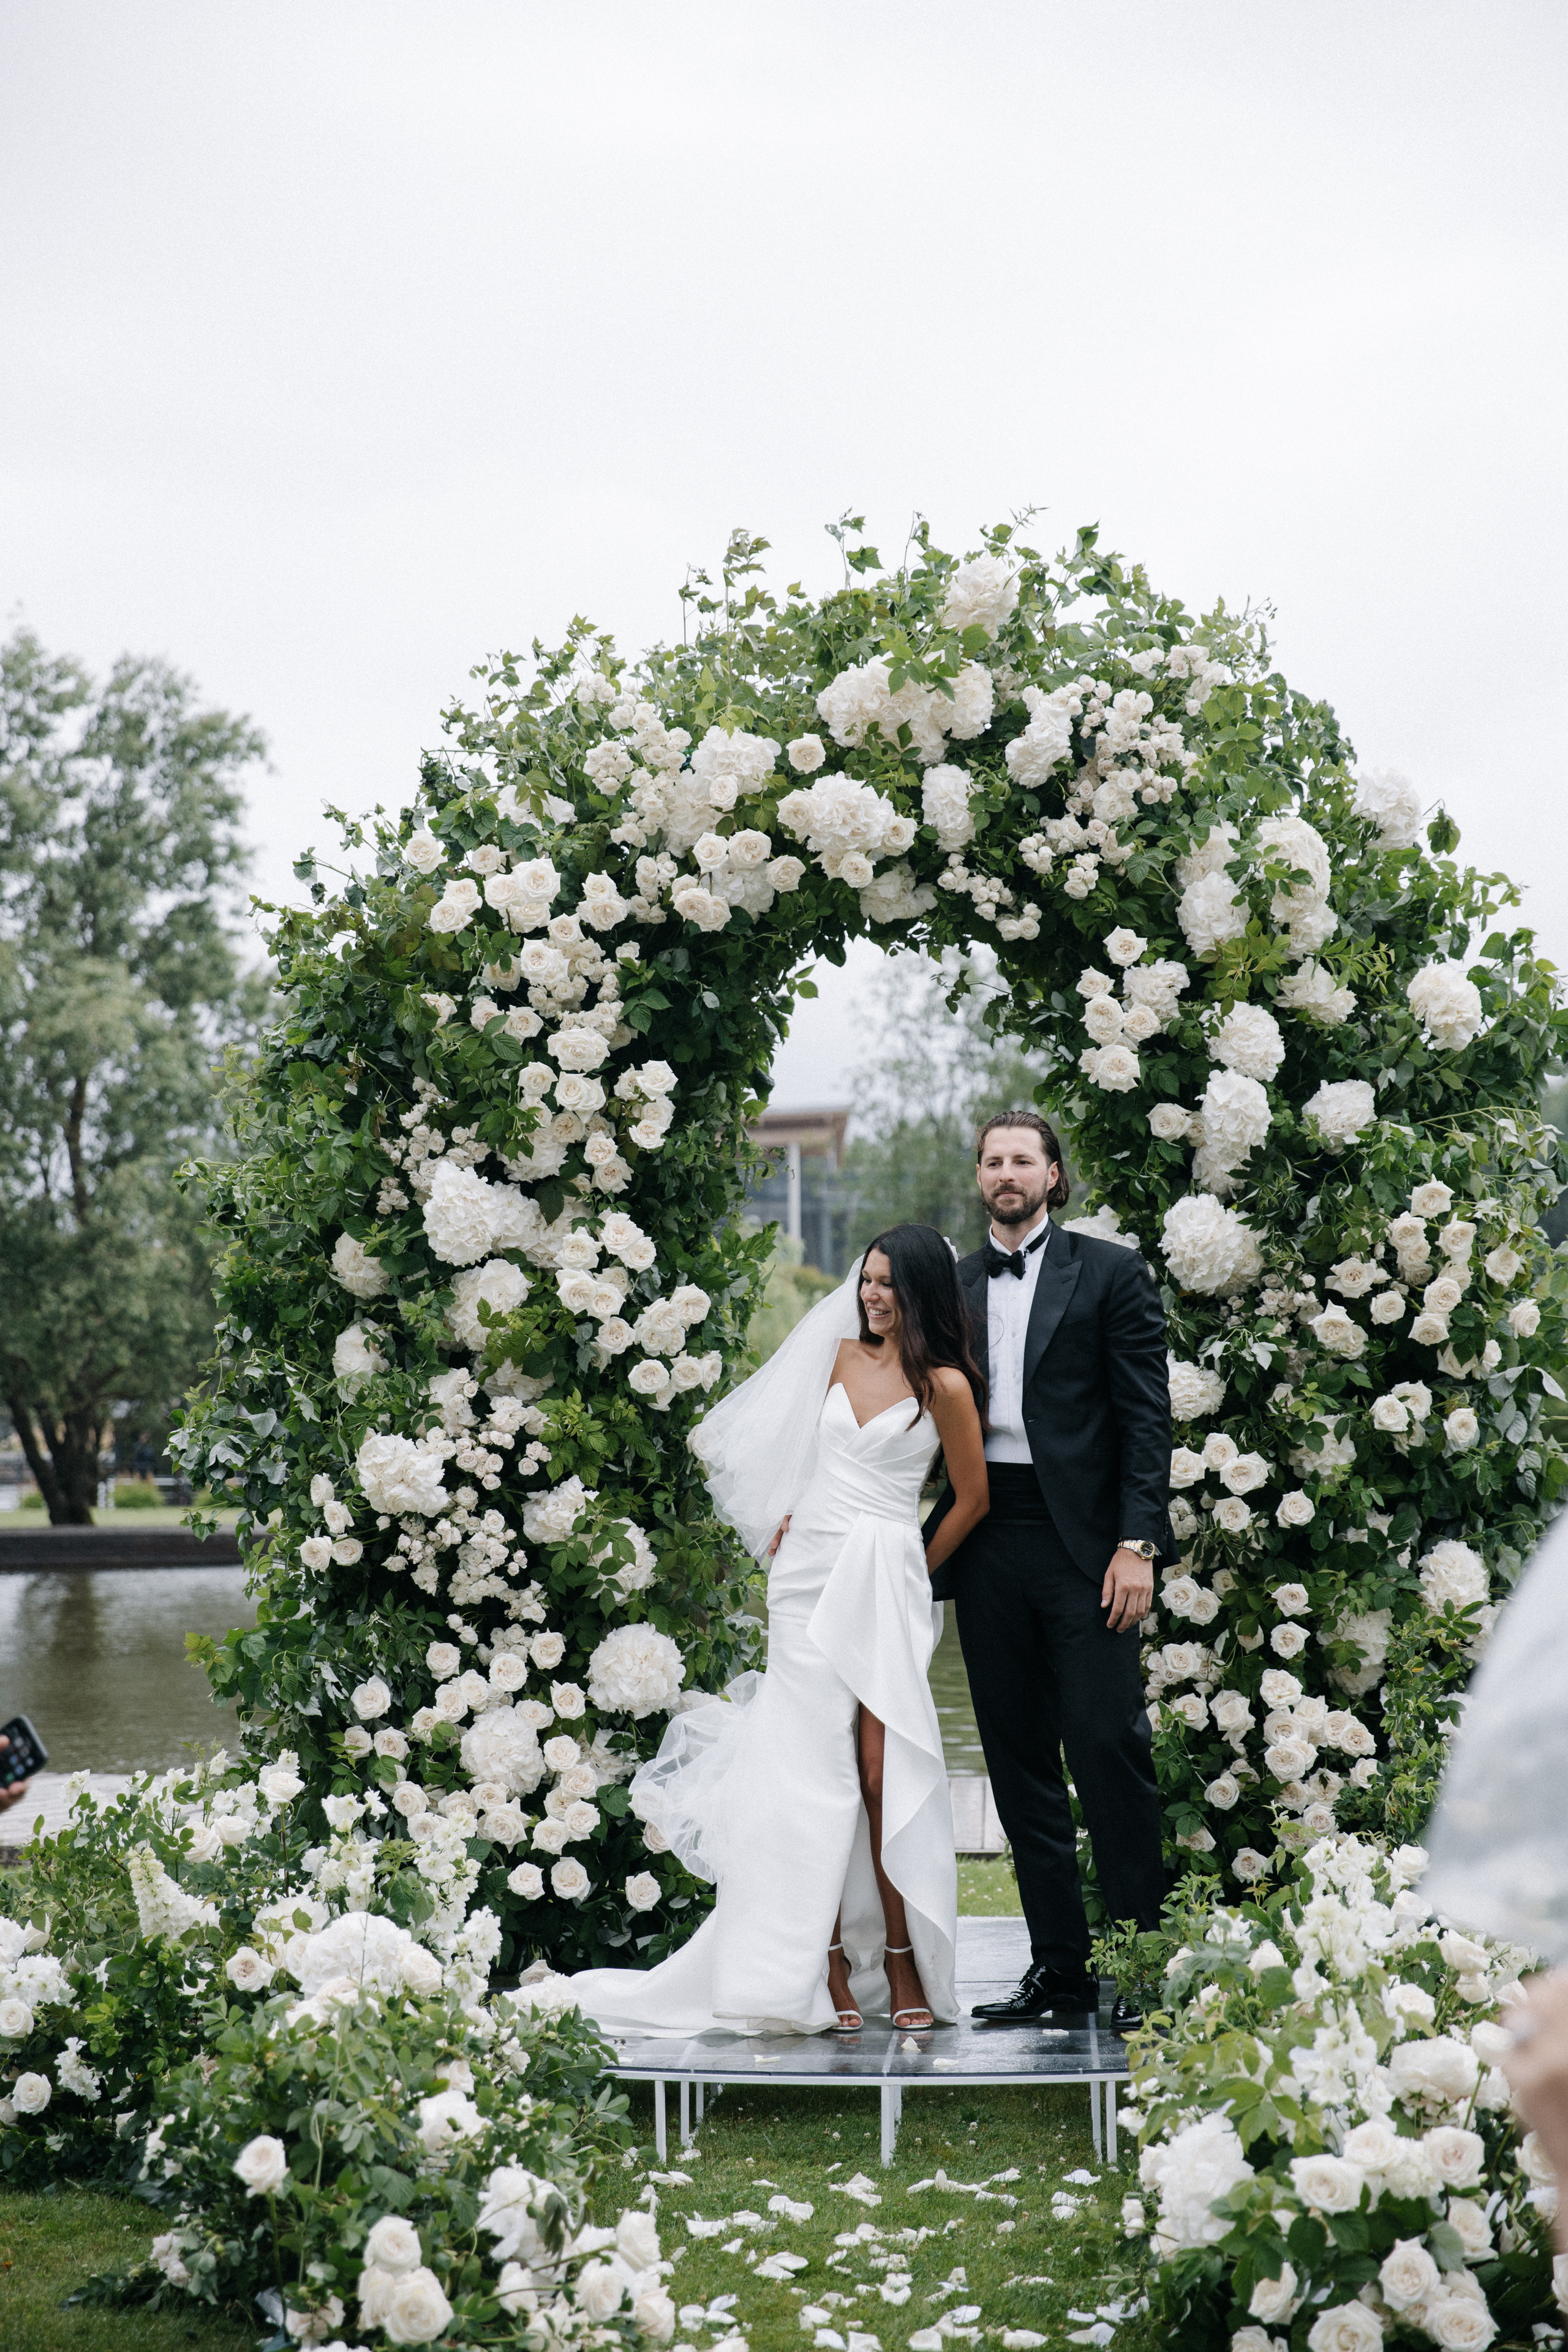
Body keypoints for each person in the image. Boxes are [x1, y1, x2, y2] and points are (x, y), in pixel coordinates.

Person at [565, 1224, 990, 2037]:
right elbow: (782, 1449)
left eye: (888, 1284)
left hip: (886, 1581)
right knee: (811, 1771)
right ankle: (821, 1960)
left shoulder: (947, 1388)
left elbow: (972, 1500)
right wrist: (790, 1511)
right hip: (805, 1583)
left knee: (879, 1773)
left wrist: (911, 1565)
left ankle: (900, 1956)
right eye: (866, 1280)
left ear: (923, 1293)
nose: (871, 1296)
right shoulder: (835, 1358)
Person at [923, 1109, 1170, 2029]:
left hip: (1089, 1546)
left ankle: (1142, 1972)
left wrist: (1137, 1543)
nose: (1006, 1172)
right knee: (1017, 1763)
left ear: (1055, 1177)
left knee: (1109, 1750)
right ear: (980, 1178)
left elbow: (1147, 1419)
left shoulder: (1109, 1272)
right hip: (989, 1537)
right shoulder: (949, 1287)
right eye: (992, 1160)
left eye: (1023, 1159)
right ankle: (1058, 1971)